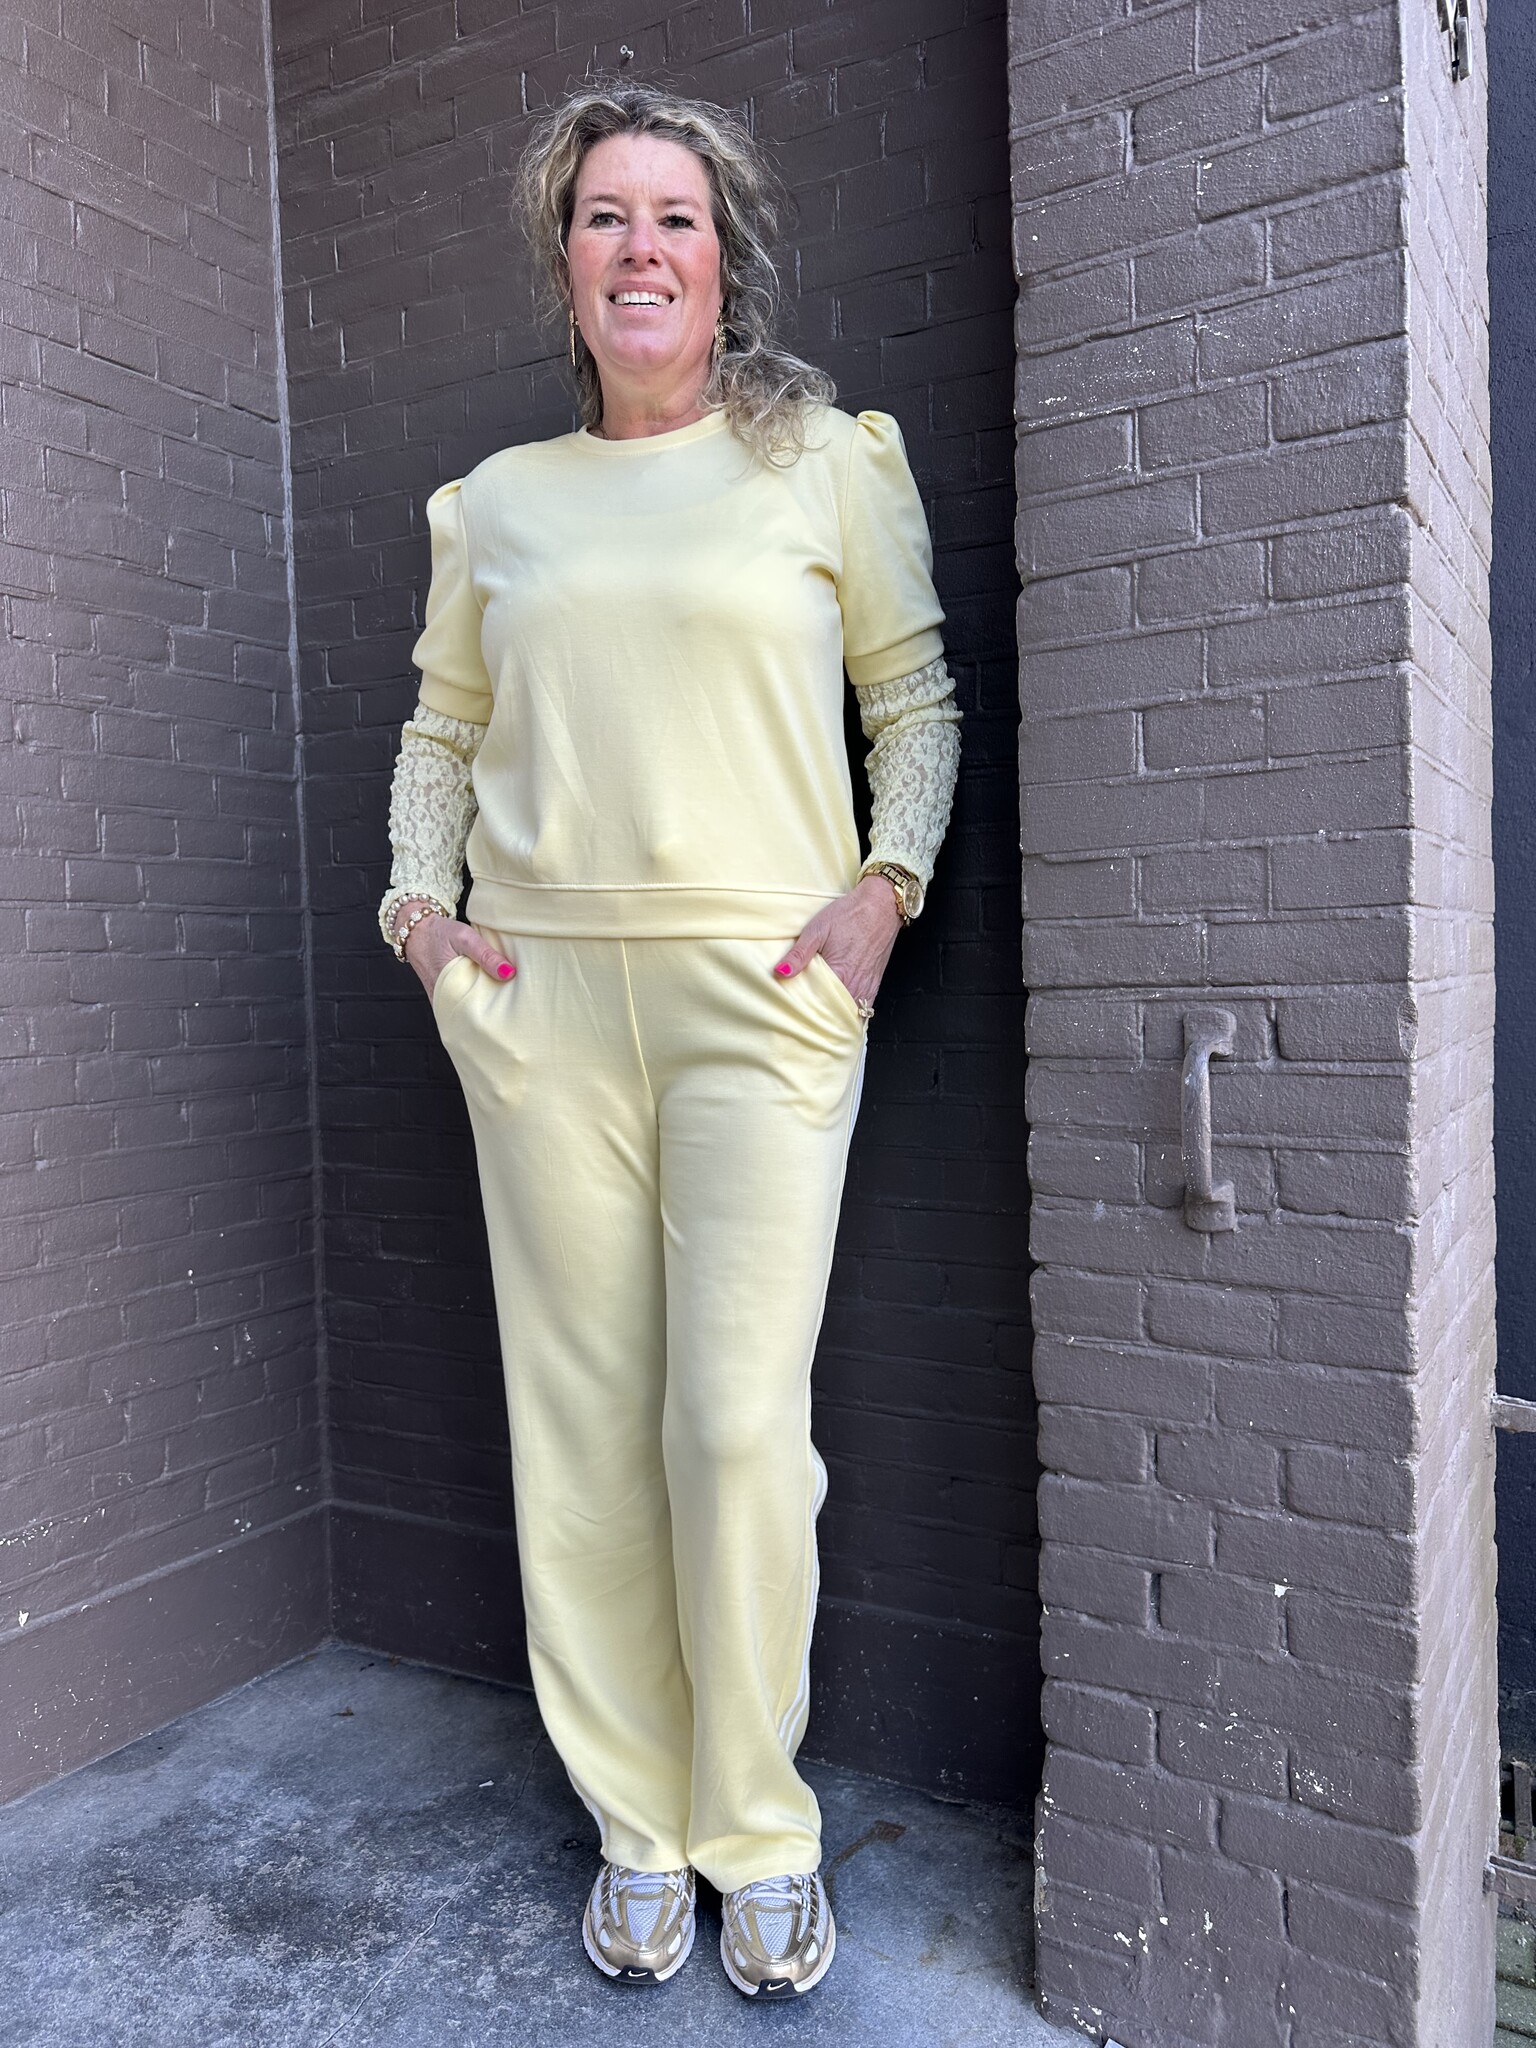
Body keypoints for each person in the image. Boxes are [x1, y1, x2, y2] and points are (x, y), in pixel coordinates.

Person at [377, 78, 961, 2001]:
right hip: (539, 1006)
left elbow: (913, 701)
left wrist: (881, 894)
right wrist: (421, 918)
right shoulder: (497, 505)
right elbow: (444, 733)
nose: (642, 247)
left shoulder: (824, 467)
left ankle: (758, 1828)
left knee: (733, 1432)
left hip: (761, 1001)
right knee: (583, 1440)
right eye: (607, 216)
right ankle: (639, 1824)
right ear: (567, 262)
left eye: (676, 217)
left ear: (723, 261)